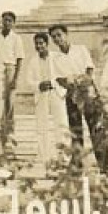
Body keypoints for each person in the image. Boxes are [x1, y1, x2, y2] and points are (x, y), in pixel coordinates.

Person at [47, 24, 108, 171]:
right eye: (54, 37)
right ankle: (77, 161)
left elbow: (89, 69)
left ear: (66, 34)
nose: (57, 39)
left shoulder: (80, 49)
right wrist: (70, 85)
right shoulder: (54, 58)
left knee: (96, 127)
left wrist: (82, 82)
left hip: (88, 92)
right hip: (71, 94)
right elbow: (57, 79)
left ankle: (104, 164)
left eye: (59, 35)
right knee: (75, 129)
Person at [28, 33, 69, 164]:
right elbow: (29, 80)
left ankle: (63, 155)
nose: (39, 46)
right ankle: (43, 155)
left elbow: (65, 74)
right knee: (41, 125)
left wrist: (53, 83)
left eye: (41, 43)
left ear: (47, 44)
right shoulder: (33, 61)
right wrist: (38, 85)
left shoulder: (57, 57)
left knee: (61, 124)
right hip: (42, 95)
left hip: (56, 93)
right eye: (36, 44)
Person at [0, 12, 26, 138]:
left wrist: (15, 79)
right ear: (2, 21)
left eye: (10, 21)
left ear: (14, 23)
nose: (7, 23)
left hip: (10, 69)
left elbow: (19, 59)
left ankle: (9, 132)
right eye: (5, 20)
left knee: (9, 101)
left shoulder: (16, 38)